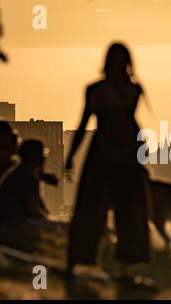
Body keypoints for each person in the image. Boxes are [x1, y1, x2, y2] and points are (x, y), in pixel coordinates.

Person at [65, 42, 152, 279]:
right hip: (114, 152)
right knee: (116, 209)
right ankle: (119, 262)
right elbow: (86, 123)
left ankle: (100, 260)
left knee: (110, 208)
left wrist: (72, 155)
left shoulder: (102, 90)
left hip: (112, 152)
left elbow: (85, 124)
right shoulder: (127, 89)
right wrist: (71, 155)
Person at [0, 140, 61, 252]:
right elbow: (33, 209)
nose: (44, 158)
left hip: (9, 222)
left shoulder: (22, 172)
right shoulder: (27, 175)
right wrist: (50, 225)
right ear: (35, 156)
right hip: (15, 225)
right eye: (42, 154)